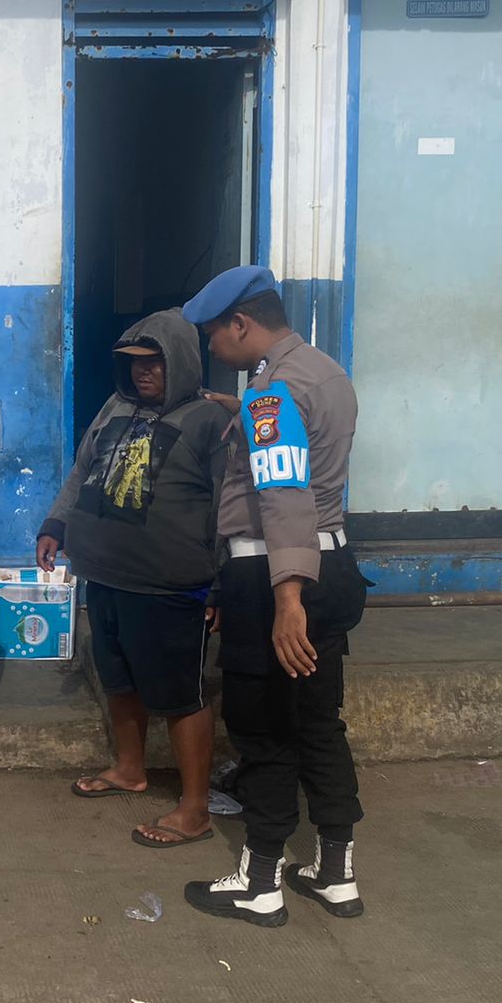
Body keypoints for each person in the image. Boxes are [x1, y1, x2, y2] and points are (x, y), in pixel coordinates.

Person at [180, 265, 368, 927]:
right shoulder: (324, 374)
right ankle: (336, 873)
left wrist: (288, 600)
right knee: (319, 723)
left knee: (263, 730)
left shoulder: (271, 394)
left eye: (213, 334)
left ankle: (259, 883)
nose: (212, 346)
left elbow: (284, 493)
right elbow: (305, 456)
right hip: (333, 562)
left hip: (275, 575)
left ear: (241, 324)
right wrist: (241, 415)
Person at [36, 310, 230, 848]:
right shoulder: (115, 408)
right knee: (118, 680)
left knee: (181, 694)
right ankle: (129, 769)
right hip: (104, 576)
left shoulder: (210, 422)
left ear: (181, 362)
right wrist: (55, 524)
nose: (142, 372)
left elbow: (230, 507)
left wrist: (222, 583)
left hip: (169, 586)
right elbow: (82, 471)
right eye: (133, 363)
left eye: (154, 362)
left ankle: (195, 809)